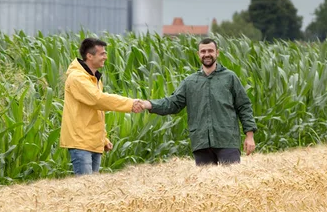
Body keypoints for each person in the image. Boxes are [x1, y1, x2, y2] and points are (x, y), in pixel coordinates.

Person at [139, 38, 257, 165]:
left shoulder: (230, 77)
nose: (207, 54)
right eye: (203, 51)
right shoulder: (189, 82)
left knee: (231, 182)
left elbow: (244, 106)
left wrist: (249, 136)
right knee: (204, 184)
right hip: (201, 143)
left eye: (210, 51)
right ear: (198, 54)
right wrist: (148, 104)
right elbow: (173, 103)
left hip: (227, 140)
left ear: (217, 53)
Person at [60, 37, 143, 175]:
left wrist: (103, 139)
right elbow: (98, 100)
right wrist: (130, 103)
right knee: (85, 190)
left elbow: (95, 111)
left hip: (93, 143)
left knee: (94, 192)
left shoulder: (93, 78)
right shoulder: (77, 78)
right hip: (81, 143)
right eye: (102, 53)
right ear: (89, 56)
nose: (105, 56)